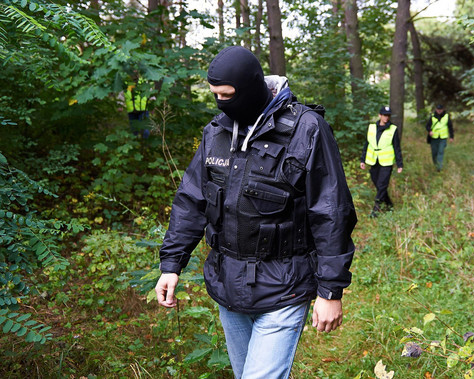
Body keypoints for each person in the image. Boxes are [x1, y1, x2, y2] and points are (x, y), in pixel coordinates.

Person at [154, 46, 357, 379]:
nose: (220, 102)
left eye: (227, 95)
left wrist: (331, 291)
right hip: (227, 284)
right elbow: (191, 201)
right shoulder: (216, 132)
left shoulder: (307, 129)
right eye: (215, 95)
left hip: (285, 286)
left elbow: (332, 212)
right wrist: (171, 264)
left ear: (249, 88)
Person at [360, 106, 403, 217]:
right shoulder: (371, 127)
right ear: (380, 115)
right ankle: (389, 205)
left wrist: (399, 164)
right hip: (373, 160)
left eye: (388, 115)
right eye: (384, 115)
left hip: (386, 162)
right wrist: (362, 159)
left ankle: (376, 209)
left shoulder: (393, 129)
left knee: (382, 185)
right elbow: (367, 144)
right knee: (379, 185)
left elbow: (397, 147)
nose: (386, 117)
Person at [425, 104, 454, 172]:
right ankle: (435, 164)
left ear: (443, 109)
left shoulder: (446, 116)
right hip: (434, 138)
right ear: (436, 109)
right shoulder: (432, 116)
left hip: (443, 137)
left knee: (440, 151)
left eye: (440, 110)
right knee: (434, 153)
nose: (439, 111)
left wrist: (451, 137)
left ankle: (439, 167)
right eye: (438, 110)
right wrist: (430, 131)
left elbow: (450, 127)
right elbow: (427, 126)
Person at [124, 72, 151, 138]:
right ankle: (136, 144)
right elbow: (122, 94)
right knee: (134, 131)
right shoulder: (126, 82)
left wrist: (152, 103)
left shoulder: (144, 81)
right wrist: (120, 104)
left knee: (145, 130)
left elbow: (150, 92)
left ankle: (145, 143)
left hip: (143, 109)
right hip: (131, 110)